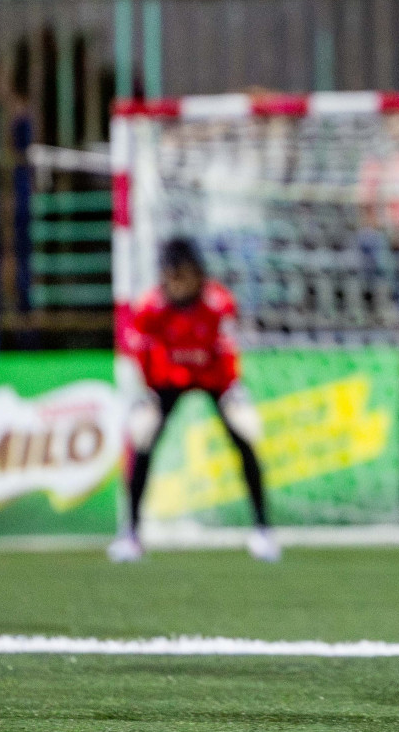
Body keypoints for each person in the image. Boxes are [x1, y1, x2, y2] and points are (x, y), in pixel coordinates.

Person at [109, 238, 279, 564]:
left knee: (245, 435)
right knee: (142, 438)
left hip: (213, 377)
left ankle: (263, 529)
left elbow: (229, 353)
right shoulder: (150, 308)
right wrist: (148, 397)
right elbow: (140, 353)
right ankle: (131, 533)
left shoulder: (217, 303)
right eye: (172, 275)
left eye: (184, 275)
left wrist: (234, 392)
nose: (178, 283)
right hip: (167, 379)